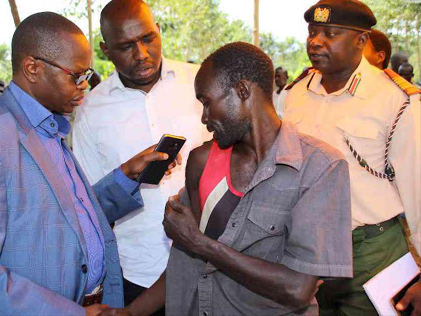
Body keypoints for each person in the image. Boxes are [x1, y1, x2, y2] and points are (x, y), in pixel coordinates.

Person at [0, 11, 179, 316]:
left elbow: (69, 217)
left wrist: (125, 176)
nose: (83, 86)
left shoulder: (48, 128)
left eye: (86, 76)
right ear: (33, 69)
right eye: (75, 76)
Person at [100, 42, 353, 316]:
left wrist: (202, 244)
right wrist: (131, 312)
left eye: (207, 103)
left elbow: (297, 289)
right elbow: (185, 263)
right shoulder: (202, 161)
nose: (204, 118)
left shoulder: (319, 168)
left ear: (242, 91)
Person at [284, 0, 421, 316]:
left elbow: (419, 186)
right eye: (312, 32)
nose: (316, 42)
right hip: (306, 251)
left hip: (371, 251)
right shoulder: (296, 93)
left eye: (330, 34)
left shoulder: (396, 100)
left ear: (361, 41)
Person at [72, 0, 210, 314]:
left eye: (148, 38)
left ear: (159, 30)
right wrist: (126, 175)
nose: (142, 54)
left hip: (211, 262)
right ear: (106, 50)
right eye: (126, 46)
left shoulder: (199, 82)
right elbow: (89, 205)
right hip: (138, 272)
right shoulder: (90, 111)